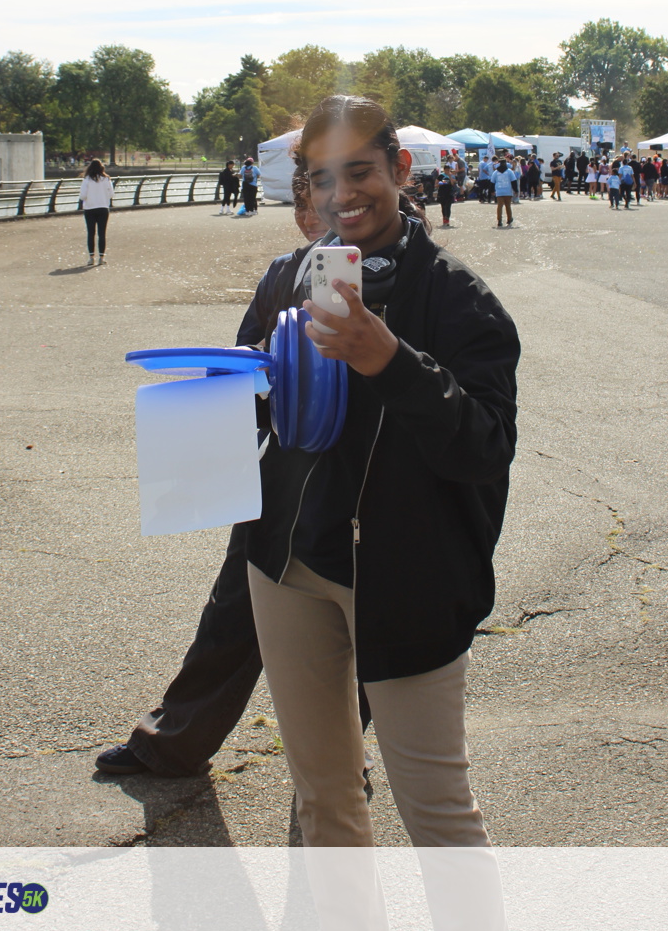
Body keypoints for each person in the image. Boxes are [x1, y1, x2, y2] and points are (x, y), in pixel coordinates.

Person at [245, 95, 519, 852]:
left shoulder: (459, 298)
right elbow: (257, 407)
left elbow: (485, 448)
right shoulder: (288, 277)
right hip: (287, 566)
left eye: (360, 171)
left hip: (407, 581)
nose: (343, 194)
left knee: (438, 812)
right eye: (322, 178)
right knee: (323, 798)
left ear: (399, 169)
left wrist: (390, 360)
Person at [95, 180, 430, 781]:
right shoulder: (284, 273)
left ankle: (340, 762)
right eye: (302, 203)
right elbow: (244, 367)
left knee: (360, 632)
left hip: (367, 491)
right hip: (281, 486)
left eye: (320, 202)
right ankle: (173, 742)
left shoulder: (418, 276)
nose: (310, 216)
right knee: (232, 612)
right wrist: (234, 396)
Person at [78, 158, 113, 266]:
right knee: (102, 234)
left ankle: (91, 257)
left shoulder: (87, 180)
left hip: (90, 208)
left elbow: (82, 195)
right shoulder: (106, 179)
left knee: (91, 233)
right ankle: (101, 258)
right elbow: (111, 194)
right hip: (103, 207)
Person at [492, 158, 516, 227]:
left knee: (500, 206)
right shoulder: (509, 171)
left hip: (499, 191)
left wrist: (492, 191)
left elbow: (492, 182)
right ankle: (509, 219)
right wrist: (516, 190)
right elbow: (513, 181)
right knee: (508, 206)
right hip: (508, 191)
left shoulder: (496, 172)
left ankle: (499, 220)